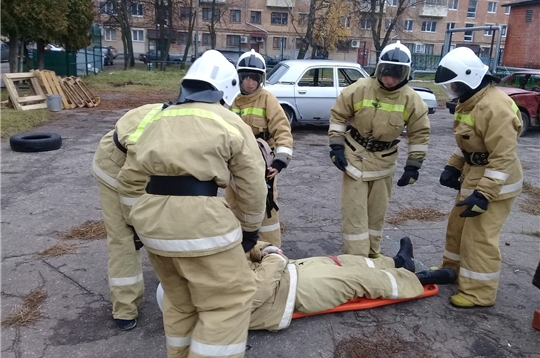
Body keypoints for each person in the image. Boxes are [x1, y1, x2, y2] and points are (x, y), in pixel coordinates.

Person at [116, 50, 268, 358]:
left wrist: (135, 222)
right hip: (201, 223)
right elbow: (252, 183)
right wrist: (250, 228)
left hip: (153, 226)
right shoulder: (230, 122)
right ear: (226, 89)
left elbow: (129, 179)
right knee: (229, 301)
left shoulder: (157, 117)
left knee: (179, 300)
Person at [157, 237, 457, 331]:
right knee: (356, 279)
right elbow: (257, 291)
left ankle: (396, 263)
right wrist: (273, 258)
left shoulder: (205, 278)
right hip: (290, 296)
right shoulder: (212, 305)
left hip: (287, 276)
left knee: (342, 261)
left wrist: (261, 249)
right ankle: (417, 280)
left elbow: (239, 249)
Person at [433, 47, 523, 308]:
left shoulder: (496, 107)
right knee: (457, 226)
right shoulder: (470, 101)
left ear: (470, 78)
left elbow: (502, 157)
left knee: (479, 237)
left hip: (497, 183)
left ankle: (479, 292)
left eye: (455, 84)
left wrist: (484, 194)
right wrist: (453, 166)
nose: (453, 89)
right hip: (474, 175)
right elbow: (469, 142)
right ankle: (452, 271)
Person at [328, 41, 430, 258]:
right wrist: (336, 146)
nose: (390, 79)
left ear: (406, 74)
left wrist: (414, 165)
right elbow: (338, 115)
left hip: (385, 163)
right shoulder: (360, 88)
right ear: (379, 69)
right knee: (355, 213)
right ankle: (356, 260)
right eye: (386, 73)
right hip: (354, 158)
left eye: (396, 74)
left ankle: (373, 256)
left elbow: (419, 134)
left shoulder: (412, 100)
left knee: (376, 216)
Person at [92, 102, 165, 330]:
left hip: (145, 173)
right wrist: (136, 224)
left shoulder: (194, 122)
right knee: (124, 239)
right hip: (115, 169)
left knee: (163, 228)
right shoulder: (154, 132)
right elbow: (130, 186)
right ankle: (125, 307)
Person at [226, 49, 294, 248]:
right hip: (235, 165)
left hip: (263, 166)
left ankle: (271, 252)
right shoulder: (231, 99)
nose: (250, 82)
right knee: (233, 206)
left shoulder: (267, 99)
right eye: (246, 77)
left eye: (254, 78)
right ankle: (238, 253)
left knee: (266, 211)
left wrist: (280, 160)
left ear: (261, 79)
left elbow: (282, 130)